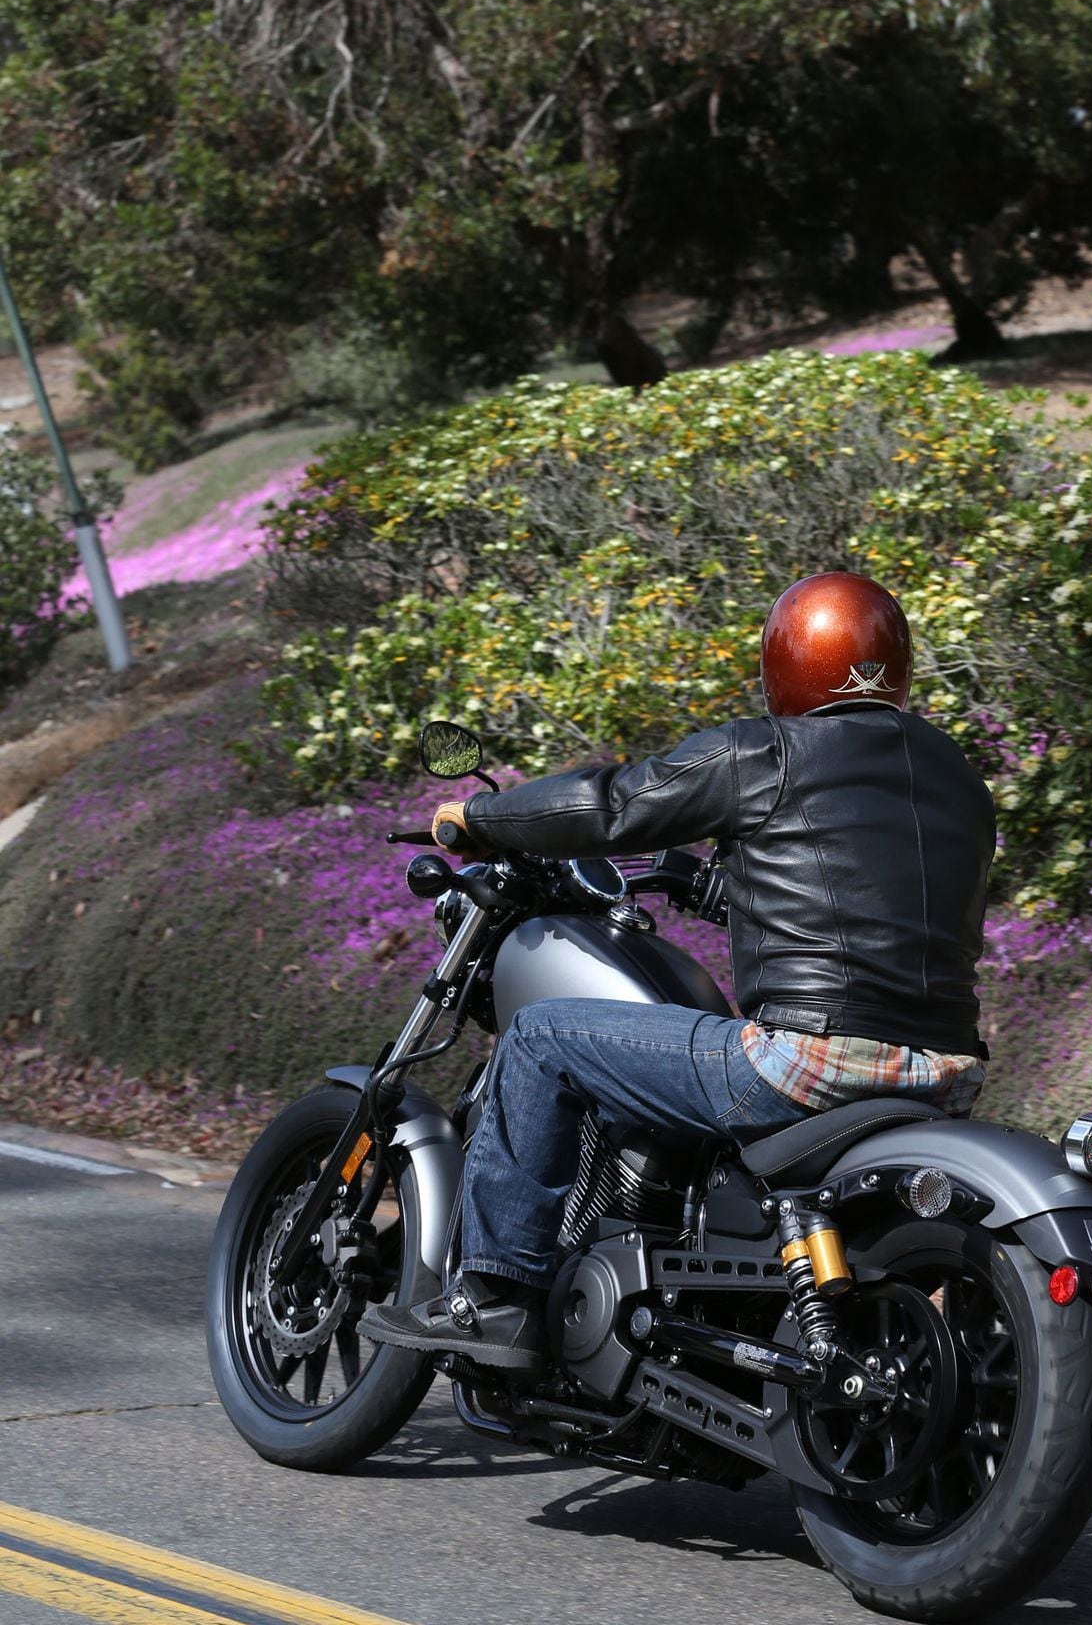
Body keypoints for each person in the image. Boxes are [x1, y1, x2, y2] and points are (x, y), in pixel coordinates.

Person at [360, 570, 995, 1372]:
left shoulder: (765, 752)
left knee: (541, 1038)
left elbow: (611, 805)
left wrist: (479, 817)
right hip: (944, 1073)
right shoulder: (956, 779)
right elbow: (864, 896)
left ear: (786, 663)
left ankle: (496, 1300)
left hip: (805, 1062)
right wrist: (717, 887)